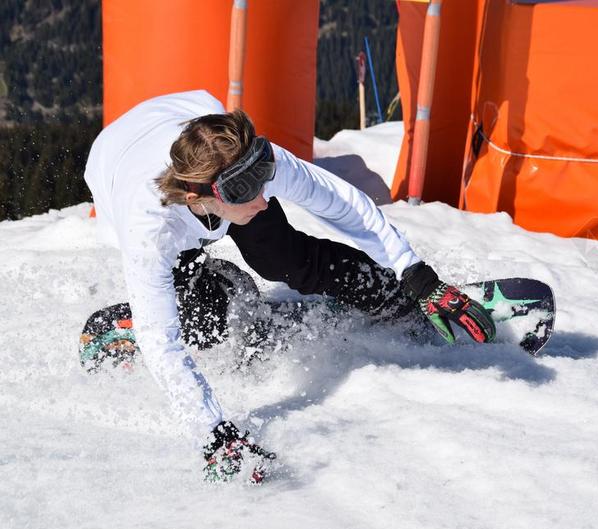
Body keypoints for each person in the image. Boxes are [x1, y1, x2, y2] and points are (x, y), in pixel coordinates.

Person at [82, 90, 495, 482]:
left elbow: (344, 204)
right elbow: (163, 342)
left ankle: (395, 303)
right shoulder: (152, 233)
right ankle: (126, 320)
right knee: (201, 321)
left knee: (284, 258)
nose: (263, 196)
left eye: (263, 178)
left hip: (189, 124)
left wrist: (416, 277)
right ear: (200, 193)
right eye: (248, 190)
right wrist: (214, 433)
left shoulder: (247, 169)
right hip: (117, 159)